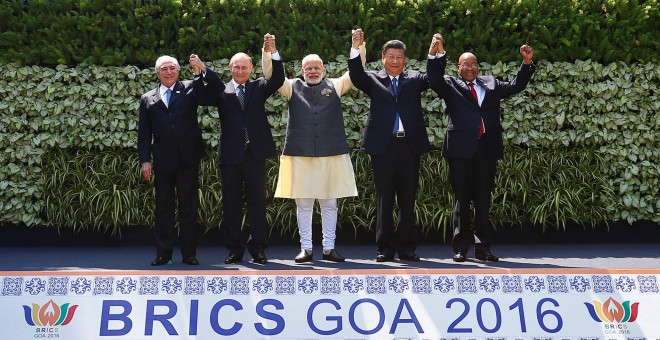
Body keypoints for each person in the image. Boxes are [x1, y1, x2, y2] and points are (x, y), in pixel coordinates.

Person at [427, 34, 535, 262]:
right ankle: (461, 248)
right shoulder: (450, 84)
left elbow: (517, 85)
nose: (470, 68)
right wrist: (436, 53)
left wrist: (526, 63)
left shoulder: (491, 83)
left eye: (474, 64)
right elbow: (434, 78)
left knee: (483, 200)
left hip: (486, 149)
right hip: (460, 150)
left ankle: (483, 248)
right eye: (466, 64)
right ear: (458, 67)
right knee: (462, 200)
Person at [262, 33, 366, 263]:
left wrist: (357, 48)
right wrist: (270, 51)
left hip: (331, 153)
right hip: (300, 154)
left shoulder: (336, 85)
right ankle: (306, 248)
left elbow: (356, 74)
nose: (312, 71)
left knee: (329, 203)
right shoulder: (290, 87)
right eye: (308, 68)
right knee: (304, 203)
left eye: (316, 68)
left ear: (323, 69)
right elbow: (271, 75)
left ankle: (329, 248)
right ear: (301, 71)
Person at [347, 29, 441, 262]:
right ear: (383, 58)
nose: (395, 61)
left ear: (404, 59)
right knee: (384, 198)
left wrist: (434, 55)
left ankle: (407, 248)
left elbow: (435, 79)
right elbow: (356, 75)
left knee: (408, 199)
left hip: (409, 147)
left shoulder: (415, 78)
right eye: (391, 57)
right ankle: (385, 249)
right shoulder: (373, 79)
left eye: (399, 57)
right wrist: (356, 48)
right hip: (383, 147)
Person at [190, 34, 285, 264]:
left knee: (257, 203)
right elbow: (200, 97)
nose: (240, 70)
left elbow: (278, 78)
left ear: (251, 68)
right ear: (230, 68)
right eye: (236, 67)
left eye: (244, 67)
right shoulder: (221, 91)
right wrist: (198, 74)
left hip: (255, 154)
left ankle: (258, 248)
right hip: (231, 156)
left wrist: (273, 51)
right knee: (231, 204)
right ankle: (234, 248)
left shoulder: (259, 87)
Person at [138, 55, 205, 266]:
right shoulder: (147, 98)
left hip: (187, 158)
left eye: (172, 68)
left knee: (188, 207)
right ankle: (163, 254)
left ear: (178, 70)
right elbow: (144, 133)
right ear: (158, 73)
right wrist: (144, 160)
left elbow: (208, 92)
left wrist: (200, 70)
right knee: (163, 208)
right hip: (163, 160)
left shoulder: (190, 88)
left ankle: (189, 254)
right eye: (164, 69)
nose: (169, 72)